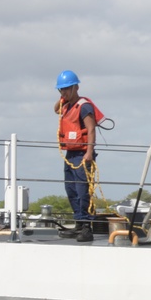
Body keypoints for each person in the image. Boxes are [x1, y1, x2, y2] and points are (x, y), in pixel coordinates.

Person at [54, 70, 102, 243]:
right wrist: (62, 98)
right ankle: (78, 223)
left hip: (82, 154)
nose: (64, 92)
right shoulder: (66, 105)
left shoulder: (84, 106)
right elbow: (54, 109)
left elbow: (90, 129)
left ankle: (86, 226)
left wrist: (89, 152)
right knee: (71, 190)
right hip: (70, 154)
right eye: (61, 90)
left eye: (67, 89)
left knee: (83, 191)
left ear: (76, 87)